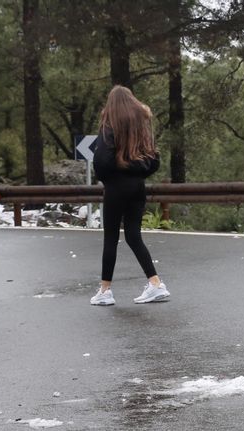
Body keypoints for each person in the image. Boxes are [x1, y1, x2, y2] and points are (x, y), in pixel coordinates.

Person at [89, 85, 170, 306]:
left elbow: (102, 162)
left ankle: (105, 291)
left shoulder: (110, 127)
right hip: (138, 188)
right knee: (134, 236)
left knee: (111, 239)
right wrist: (137, 170)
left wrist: (111, 174)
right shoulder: (140, 127)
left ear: (111, 105)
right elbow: (154, 160)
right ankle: (155, 284)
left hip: (116, 188)